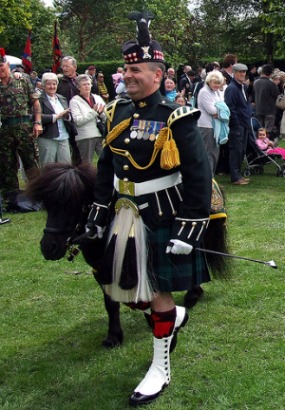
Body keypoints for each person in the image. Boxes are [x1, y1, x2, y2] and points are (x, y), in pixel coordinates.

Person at [82, 11, 213, 407]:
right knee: (129, 289)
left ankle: (159, 368)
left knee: (157, 293)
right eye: (127, 69)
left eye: (137, 69)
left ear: (158, 74)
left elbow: (198, 175)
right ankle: (173, 319)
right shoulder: (116, 112)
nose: (129, 75)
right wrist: (97, 212)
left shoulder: (176, 117)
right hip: (124, 213)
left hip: (162, 213)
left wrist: (189, 227)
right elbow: (106, 167)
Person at [0, 47, 42, 202]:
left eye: (2, 67)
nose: (0, 70)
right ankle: (11, 198)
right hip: (5, 129)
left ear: (7, 65)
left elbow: (35, 102)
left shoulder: (22, 79)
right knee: (7, 165)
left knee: (31, 162)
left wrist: (37, 122)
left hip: (24, 126)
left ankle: (37, 195)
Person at [224, 63, 252, 185]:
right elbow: (230, 107)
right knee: (236, 150)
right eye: (240, 72)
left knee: (241, 150)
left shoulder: (242, 87)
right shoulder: (231, 88)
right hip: (237, 125)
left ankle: (238, 175)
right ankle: (235, 177)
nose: (242, 74)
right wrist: (236, 123)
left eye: (244, 72)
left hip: (244, 123)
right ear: (234, 73)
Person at [69, 74, 106, 163]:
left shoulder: (97, 97)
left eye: (88, 84)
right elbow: (78, 121)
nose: (87, 86)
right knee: (87, 164)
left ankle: (105, 177)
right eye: (84, 84)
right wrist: (94, 112)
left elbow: (106, 116)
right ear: (78, 87)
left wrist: (101, 114)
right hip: (85, 136)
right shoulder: (74, 101)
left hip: (100, 133)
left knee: (106, 160)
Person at [38, 72, 72, 166]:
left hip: (63, 135)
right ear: (44, 86)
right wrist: (55, 117)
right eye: (49, 84)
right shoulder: (39, 99)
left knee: (66, 166)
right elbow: (35, 116)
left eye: (54, 84)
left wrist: (67, 116)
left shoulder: (62, 98)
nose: (52, 86)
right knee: (48, 167)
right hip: (47, 136)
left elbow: (67, 116)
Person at [197, 70, 228, 175]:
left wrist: (221, 111)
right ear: (209, 81)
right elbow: (213, 111)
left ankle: (210, 178)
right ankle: (208, 179)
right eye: (215, 82)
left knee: (215, 153)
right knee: (209, 154)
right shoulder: (204, 92)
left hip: (215, 127)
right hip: (206, 127)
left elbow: (224, 108)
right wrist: (221, 111)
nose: (217, 85)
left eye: (218, 83)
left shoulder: (216, 92)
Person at [56, 56, 81, 164]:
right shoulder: (59, 82)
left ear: (74, 67)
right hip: (66, 119)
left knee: (80, 148)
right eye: (63, 66)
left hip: (81, 117)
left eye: (67, 66)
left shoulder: (84, 80)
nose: (64, 68)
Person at [253, 64, 279, 141]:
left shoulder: (256, 82)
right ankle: (267, 145)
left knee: (260, 129)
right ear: (270, 74)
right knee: (268, 130)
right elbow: (276, 95)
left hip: (259, 109)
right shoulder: (271, 84)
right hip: (269, 110)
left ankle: (260, 144)